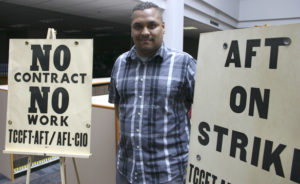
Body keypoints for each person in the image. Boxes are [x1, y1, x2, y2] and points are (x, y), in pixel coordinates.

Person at [109, 2, 196, 184]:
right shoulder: (120, 63)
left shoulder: (184, 63)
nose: (145, 32)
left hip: (168, 174)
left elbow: (206, 112)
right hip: (127, 170)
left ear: (163, 27)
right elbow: (118, 108)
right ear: (131, 30)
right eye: (138, 26)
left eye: (152, 25)